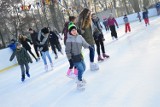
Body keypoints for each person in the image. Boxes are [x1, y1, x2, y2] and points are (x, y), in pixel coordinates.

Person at [65, 23, 92, 89]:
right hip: (74, 58)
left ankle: (79, 78)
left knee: (84, 68)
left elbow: (84, 43)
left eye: (75, 30)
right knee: (81, 69)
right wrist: (70, 60)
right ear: (70, 32)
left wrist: (89, 46)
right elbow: (67, 51)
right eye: (72, 30)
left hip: (80, 56)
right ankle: (79, 81)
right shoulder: (69, 40)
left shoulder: (80, 37)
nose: (74, 31)